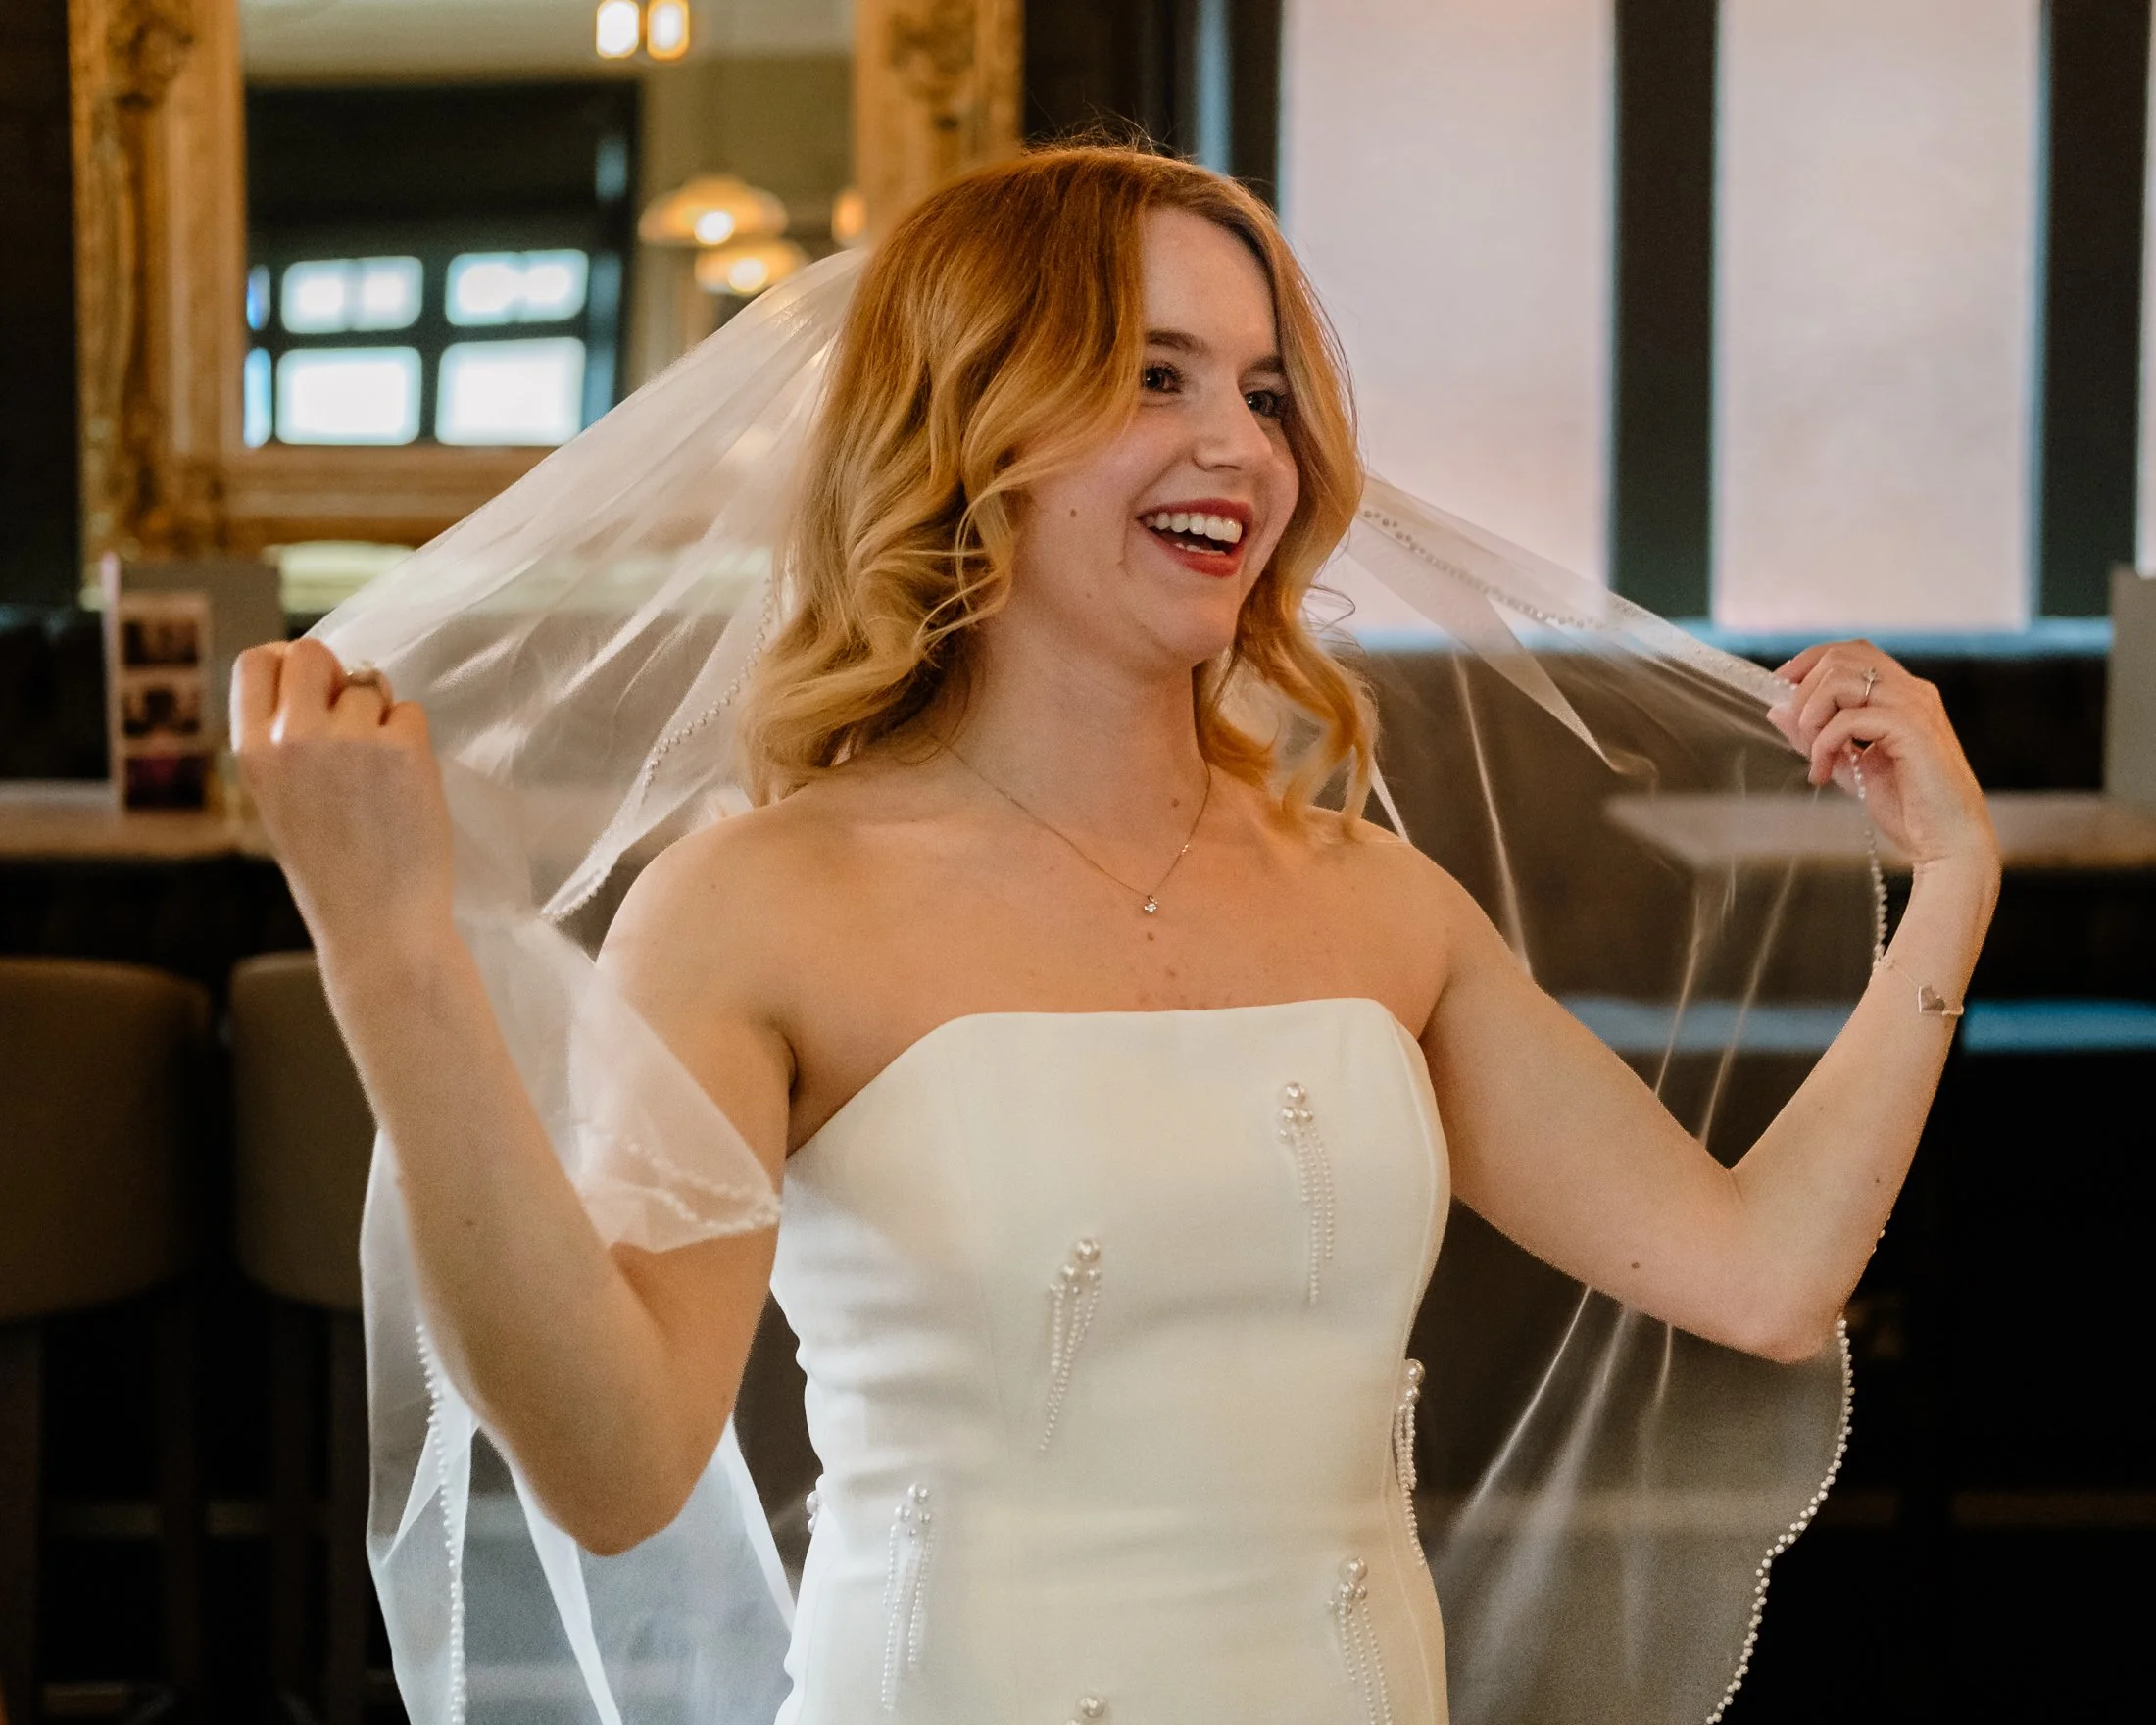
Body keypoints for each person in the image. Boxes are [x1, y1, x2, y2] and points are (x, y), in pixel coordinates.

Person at [231, 147, 1998, 1723]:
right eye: (1151, 377)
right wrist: (392, 961)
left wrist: (1954, 889)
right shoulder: (763, 900)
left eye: (1265, 389)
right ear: (970, 427)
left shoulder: (1374, 901)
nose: (1239, 443)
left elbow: (1763, 1278)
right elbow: (614, 1469)